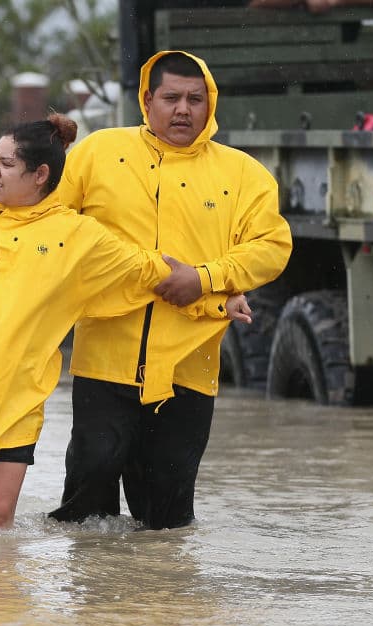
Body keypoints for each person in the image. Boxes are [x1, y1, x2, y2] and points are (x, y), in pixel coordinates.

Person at [0, 114, 252, 536]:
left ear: (40, 175)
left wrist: (214, 296)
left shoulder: (76, 236)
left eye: (7, 164)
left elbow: (144, 273)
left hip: (13, 395)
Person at [48, 51, 293, 529]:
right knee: (87, 506)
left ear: (210, 104)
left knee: (168, 519)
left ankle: (163, 581)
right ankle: (92, 582)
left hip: (190, 364)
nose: (183, 110)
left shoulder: (243, 174)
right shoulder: (98, 153)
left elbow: (272, 247)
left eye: (195, 99)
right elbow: (53, 225)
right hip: (104, 357)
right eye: (171, 98)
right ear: (147, 100)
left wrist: (205, 278)